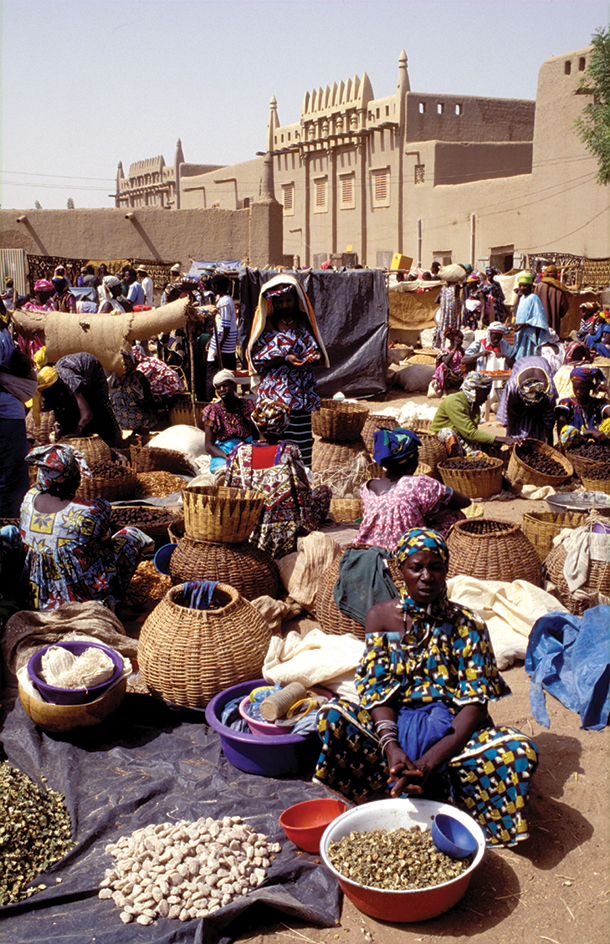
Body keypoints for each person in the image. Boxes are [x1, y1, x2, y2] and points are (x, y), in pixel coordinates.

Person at [314, 528, 539, 846]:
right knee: (332, 717)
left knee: (517, 751)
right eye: (416, 567)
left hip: (451, 736)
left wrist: (430, 760)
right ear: (400, 570)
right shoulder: (383, 619)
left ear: (446, 570)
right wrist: (392, 748)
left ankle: (432, 782)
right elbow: (380, 689)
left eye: (435, 567)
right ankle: (396, 777)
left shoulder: (467, 625)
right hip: (396, 725)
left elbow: (475, 705)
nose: (426, 576)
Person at [1, 444, 152, 611]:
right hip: (78, 598)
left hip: (36, 594)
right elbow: (106, 539)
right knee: (131, 536)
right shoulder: (89, 511)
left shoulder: (29, 499)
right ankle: (111, 598)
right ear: (74, 476)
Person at [225, 398, 331, 557]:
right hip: (283, 536)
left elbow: (229, 493)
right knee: (324, 491)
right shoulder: (289, 451)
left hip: (247, 532)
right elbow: (302, 495)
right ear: (284, 425)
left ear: (256, 422)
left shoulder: (238, 453)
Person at [247, 275, 329, 467]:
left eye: (289, 300)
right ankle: (275, 471)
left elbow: (315, 349)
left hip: (301, 391)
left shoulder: (303, 320)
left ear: (296, 299)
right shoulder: (267, 323)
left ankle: (301, 473)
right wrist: (284, 358)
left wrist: (313, 357)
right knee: (275, 431)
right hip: (276, 390)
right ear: (274, 303)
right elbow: (259, 360)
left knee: (300, 436)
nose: (285, 304)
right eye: (281, 301)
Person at [355, 429, 470, 549]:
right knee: (455, 515)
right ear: (412, 465)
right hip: (402, 551)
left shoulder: (367, 487)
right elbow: (465, 501)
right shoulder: (417, 484)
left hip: (367, 547)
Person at [37, 351, 122, 445]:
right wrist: (58, 425)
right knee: (70, 412)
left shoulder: (68, 378)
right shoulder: (51, 393)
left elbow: (87, 416)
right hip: (77, 376)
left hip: (92, 374)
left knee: (99, 409)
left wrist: (76, 437)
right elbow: (58, 410)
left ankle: (115, 441)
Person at [430, 372, 514, 456]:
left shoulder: (474, 406)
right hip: (440, 440)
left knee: (489, 446)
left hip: (462, 437)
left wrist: (494, 441)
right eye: (484, 394)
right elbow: (470, 433)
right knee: (447, 432)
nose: (485, 398)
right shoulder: (454, 402)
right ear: (474, 391)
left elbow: (472, 433)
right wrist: (500, 439)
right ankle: (456, 458)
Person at [0, 330, 35, 516]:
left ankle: (8, 528)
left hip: (5, 415)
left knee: (9, 481)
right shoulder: (4, 333)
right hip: (9, 414)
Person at [202, 369, 256, 473]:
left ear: (234, 386)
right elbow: (208, 446)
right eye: (218, 387)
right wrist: (225, 456)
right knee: (223, 472)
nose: (222, 389)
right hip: (223, 452)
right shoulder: (212, 411)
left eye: (225, 385)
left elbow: (256, 435)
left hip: (245, 449)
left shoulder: (247, 406)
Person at [496, 356, 558, 443]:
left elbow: (549, 424)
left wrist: (550, 449)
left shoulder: (549, 392)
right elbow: (511, 414)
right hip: (522, 364)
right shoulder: (513, 386)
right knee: (516, 429)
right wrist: (510, 438)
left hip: (541, 364)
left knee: (538, 428)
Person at [556, 365, 610, 447]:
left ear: (590, 387)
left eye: (582, 388)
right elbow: (563, 433)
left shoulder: (599, 403)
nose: (578, 392)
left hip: (596, 447)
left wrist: (607, 389)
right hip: (573, 445)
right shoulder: (566, 403)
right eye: (575, 388)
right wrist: (589, 432)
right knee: (568, 431)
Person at [205, 275, 238, 400]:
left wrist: (219, 347)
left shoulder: (224, 302)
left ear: (217, 287)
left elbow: (226, 327)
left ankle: (210, 401)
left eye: (213, 285)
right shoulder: (226, 300)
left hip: (223, 346)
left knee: (214, 376)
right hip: (222, 344)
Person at [511, 272, 551, 361]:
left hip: (529, 334)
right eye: (520, 286)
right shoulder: (521, 298)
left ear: (530, 286)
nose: (522, 288)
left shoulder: (534, 298)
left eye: (524, 286)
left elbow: (539, 319)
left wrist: (525, 324)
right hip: (520, 333)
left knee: (527, 357)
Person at [533, 264, 570, 336]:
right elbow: (564, 307)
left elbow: (533, 305)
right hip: (554, 325)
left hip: (539, 323)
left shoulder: (539, 287)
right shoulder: (559, 289)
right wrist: (555, 315)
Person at [431, 327, 464, 395]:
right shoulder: (444, 351)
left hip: (458, 373)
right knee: (443, 366)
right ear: (452, 341)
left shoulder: (461, 351)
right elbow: (446, 361)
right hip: (448, 373)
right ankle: (444, 390)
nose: (460, 341)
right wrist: (454, 348)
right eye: (458, 340)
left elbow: (465, 359)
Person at [433, 279, 462, 348]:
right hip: (452, 312)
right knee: (452, 327)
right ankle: (451, 346)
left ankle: (441, 346)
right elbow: (455, 299)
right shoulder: (456, 287)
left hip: (444, 313)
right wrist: (457, 312)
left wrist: (444, 303)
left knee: (443, 327)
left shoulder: (443, 287)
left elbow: (436, 300)